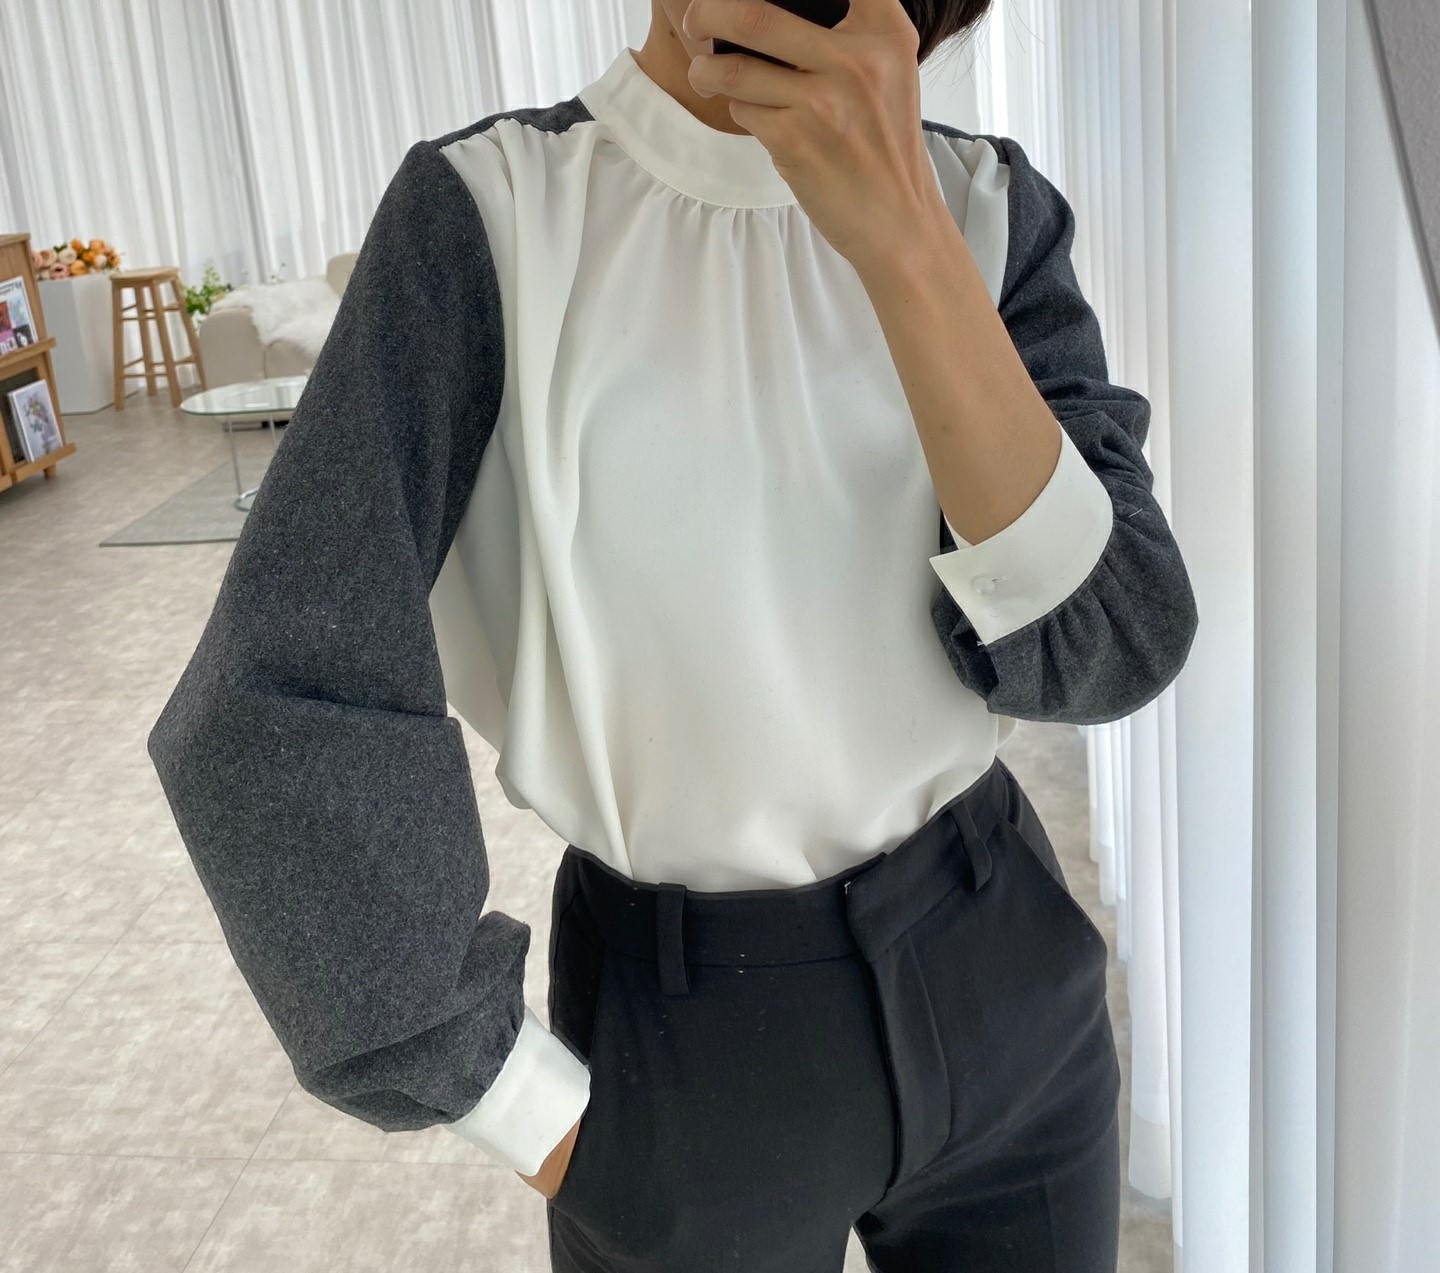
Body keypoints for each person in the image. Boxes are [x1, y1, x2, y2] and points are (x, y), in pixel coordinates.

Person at [147, 1, 1198, 1269]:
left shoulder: (984, 205)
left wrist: (908, 242)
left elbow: (1114, 641)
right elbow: (272, 701)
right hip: (687, 1038)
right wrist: (518, 1105)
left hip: (1002, 964)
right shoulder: (493, 215)